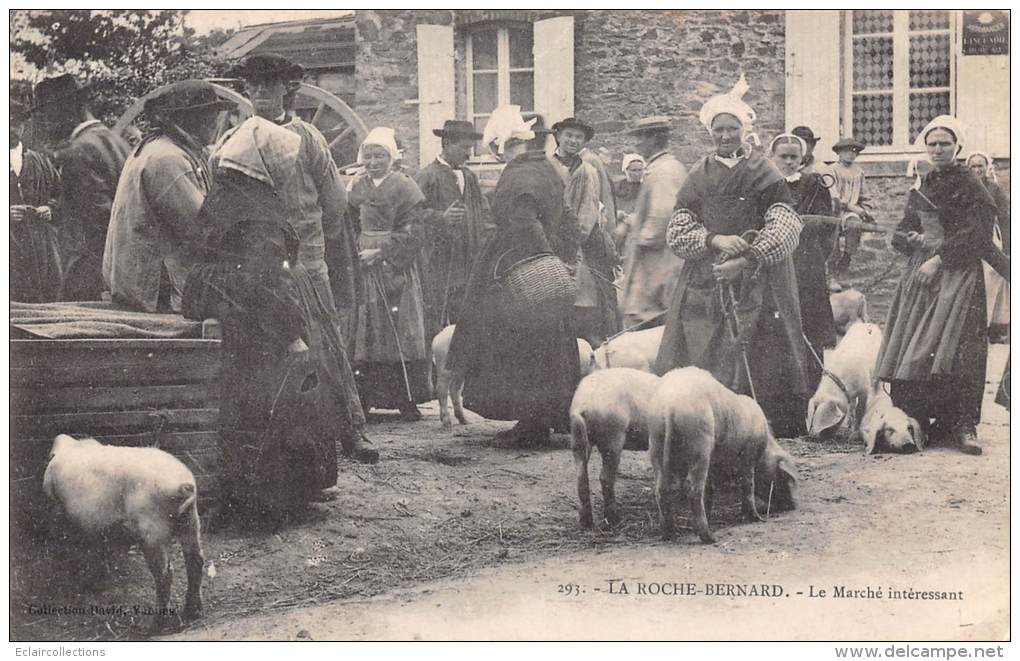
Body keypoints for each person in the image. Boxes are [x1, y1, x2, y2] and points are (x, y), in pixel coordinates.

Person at [182, 118, 356, 522]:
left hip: (224, 297)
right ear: (266, 162)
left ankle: (243, 490)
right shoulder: (258, 209)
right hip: (253, 307)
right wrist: (292, 332)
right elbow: (268, 279)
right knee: (279, 398)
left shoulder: (226, 191)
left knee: (242, 401)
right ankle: (274, 497)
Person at [227, 53, 376, 463]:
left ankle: (353, 430)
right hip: (258, 263)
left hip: (306, 261)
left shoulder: (308, 137)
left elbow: (335, 203)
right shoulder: (236, 137)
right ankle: (284, 446)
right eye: (253, 86)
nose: (260, 93)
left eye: (269, 85)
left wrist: (310, 249)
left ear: (286, 90)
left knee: (325, 344)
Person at [655, 77, 809, 437]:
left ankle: (760, 427)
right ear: (710, 132)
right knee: (702, 344)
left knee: (765, 345)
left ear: (744, 130)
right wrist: (714, 239)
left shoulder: (764, 171)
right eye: (718, 129)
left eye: (732, 128)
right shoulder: (699, 173)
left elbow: (786, 223)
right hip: (708, 274)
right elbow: (678, 227)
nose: (725, 136)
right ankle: (704, 421)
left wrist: (750, 257)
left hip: (759, 276)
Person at [446, 105, 582, 447]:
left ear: (504, 144)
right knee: (548, 346)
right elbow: (569, 221)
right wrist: (562, 257)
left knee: (521, 345)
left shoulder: (518, 175)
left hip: (524, 272)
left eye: (496, 148)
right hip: (546, 269)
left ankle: (531, 423)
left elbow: (524, 222)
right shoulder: (548, 170)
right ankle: (541, 419)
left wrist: (541, 257)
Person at [874, 116, 1005, 455]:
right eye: (932, 143)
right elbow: (905, 228)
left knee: (959, 352)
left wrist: (939, 258)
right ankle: (916, 420)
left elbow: (978, 233)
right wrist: (909, 238)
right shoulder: (924, 183)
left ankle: (961, 425)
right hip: (922, 276)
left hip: (957, 273)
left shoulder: (970, 182)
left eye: (944, 143)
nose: (937, 149)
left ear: (957, 147)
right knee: (916, 345)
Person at [104, 81, 233, 313]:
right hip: (155, 291)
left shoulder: (162, 147)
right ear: (194, 119)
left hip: (140, 280)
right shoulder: (168, 159)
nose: (215, 123)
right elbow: (202, 228)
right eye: (211, 115)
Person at [346, 127, 431, 422]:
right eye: (368, 156)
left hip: (394, 266)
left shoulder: (405, 187)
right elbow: (349, 225)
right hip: (363, 264)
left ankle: (406, 399)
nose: (373, 162)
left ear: (391, 158)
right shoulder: (356, 186)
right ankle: (366, 398)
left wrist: (381, 253)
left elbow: (415, 232)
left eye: (380, 156)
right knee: (366, 331)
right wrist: (356, 250)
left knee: (398, 329)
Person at [32, 74, 128, 300]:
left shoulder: (79, 151)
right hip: (117, 266)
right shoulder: (116, 141)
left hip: (89, 272)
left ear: (67, 108)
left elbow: (96, 219)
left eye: (49, 113)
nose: (46, 122)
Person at [770, 132, 838, 392]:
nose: (788, 162)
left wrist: (806, 226)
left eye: (793, 157)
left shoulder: (814, 184)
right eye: (783, 157)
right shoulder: (765, 185)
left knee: (809, 324)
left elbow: (825, 223)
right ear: (772, 158)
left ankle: (811, 390)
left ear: (802, 159)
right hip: (775, 263)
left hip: (806, 263)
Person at [415, 120, 492, 337]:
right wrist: (440, 218)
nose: (469, 154)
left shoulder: (469, 177)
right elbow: (411, 216)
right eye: (464, 148)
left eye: (470, 148)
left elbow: (484, 213)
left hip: (468, 264)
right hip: (438, 265)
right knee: (437, 319)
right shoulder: (427, 176)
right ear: (447, 143)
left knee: (466, 320)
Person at [550, 116, 621, 346]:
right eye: (568, 135)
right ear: (558, 136)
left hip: (576, 245)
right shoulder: (546, 167)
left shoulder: (587, 171)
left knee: (582, 303)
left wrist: (571, 239)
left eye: (578, 137)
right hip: (548, 243)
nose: (573, 140)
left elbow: (588, 212)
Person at [618, 116, 687, 327]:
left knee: (644, 318)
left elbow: (662, 216)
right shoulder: (666, 167)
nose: (637, 144)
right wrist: (631, 222)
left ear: (654, 139)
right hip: (660, 261)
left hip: (657, 263)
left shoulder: (662, 172)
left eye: (641, 138)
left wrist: (638, 240)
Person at [10, 98, 62, 303]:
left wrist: (50, 209)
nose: (12, 128)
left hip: (40, 250)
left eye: (17, 122)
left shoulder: (40, 161)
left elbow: (61, 195)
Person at [967, 151, 1010, 342]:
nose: (977, 170)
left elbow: (1004, 218)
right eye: (973, 166)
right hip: (968, 237)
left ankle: (993, 324)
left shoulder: (994, 189)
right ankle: (975, 324)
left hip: (991, 237)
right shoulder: (963, 188)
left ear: (986, 167)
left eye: (980, 166)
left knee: (992, 277)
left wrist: (1008, 246)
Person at [821, 136, 873, 291]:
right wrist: (853, 207)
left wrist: (865, 210)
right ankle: (831, 274)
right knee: (832, 235)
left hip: (851, 213)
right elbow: (833, 196)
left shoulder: (858, 172)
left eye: (854, 151)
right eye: (847, 151)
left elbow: (865, 196)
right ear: (839, 153)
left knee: (855, 224)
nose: (851, 154)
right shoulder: (831, 170)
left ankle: (845, 263)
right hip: (833, 211)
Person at [613, 153, 645, 220]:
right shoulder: (617, 187)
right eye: (633, 170)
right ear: (626, 170)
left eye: (640, 170)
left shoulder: (646, 187)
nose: (637, 173)